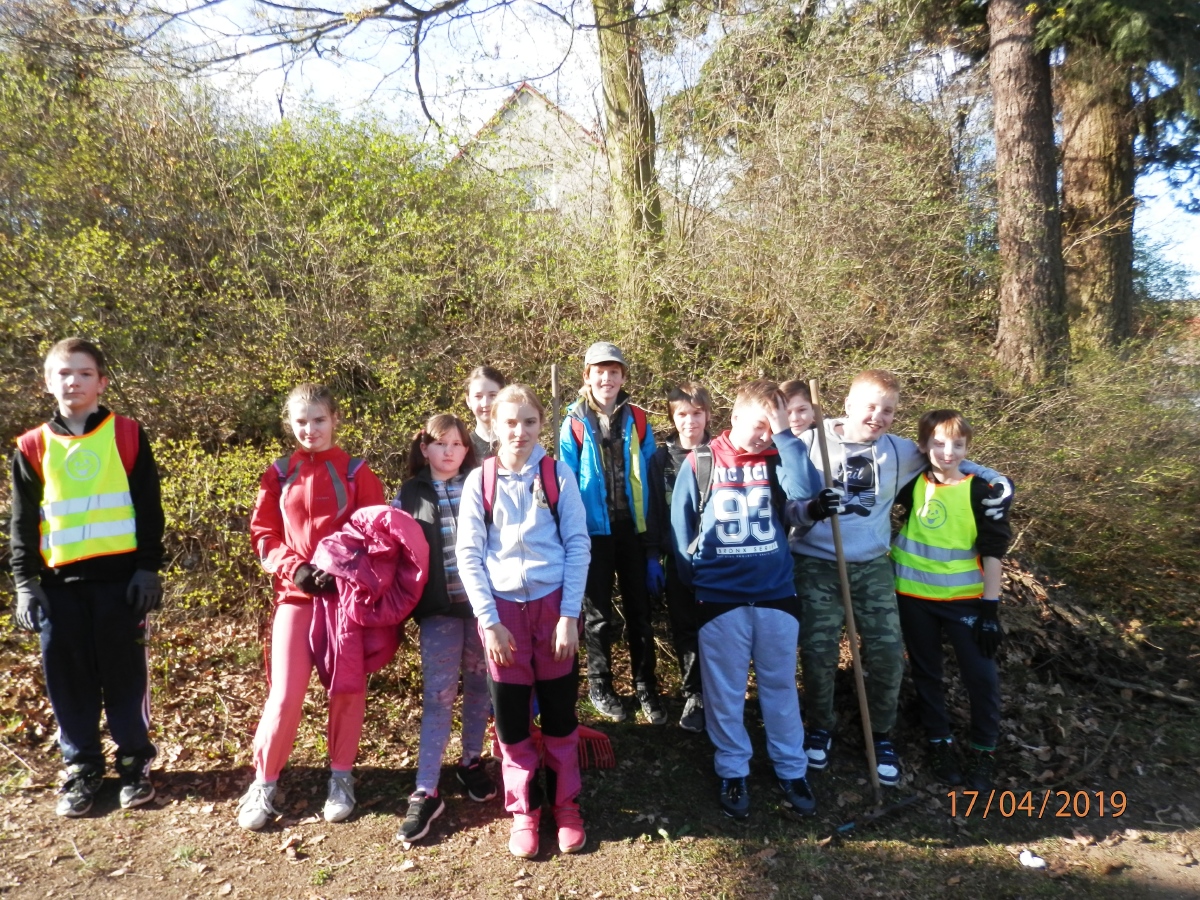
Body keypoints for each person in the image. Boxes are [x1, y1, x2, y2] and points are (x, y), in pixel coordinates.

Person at [791, 370, 1012, 786]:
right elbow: (784, 492)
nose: (878, 416)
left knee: (889, 654)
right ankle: (820, 727)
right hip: (816, 562)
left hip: (872, 563)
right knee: (818, 654)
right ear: (849, 405)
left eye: (888, 410)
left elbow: (946, 456)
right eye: (871, 406)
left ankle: (881, 734)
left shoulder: (899, 450)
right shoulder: (810, 443)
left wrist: (996, 479)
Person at [10, 338, 165, 817]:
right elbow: (22, 522)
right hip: (58, 589)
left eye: (83, 373)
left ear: (102, 382)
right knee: (68, 682)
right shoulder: (32, 446)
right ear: (47, 382)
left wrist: (148, 568)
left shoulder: (127, 434)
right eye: (63, 373)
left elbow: (149, 507)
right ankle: (82, 768)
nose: (73, 382)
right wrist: (25, 583)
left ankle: (135, 764)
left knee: (125, 679)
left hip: (121, 585)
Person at [670, 379, 834, 820]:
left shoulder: (779, 457)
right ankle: (732, 769)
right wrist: (699, 581)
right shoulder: (702, 460)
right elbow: (680, 529)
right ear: (735, 416)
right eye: (759, 424)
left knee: (780, 687)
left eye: (773, 426)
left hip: (775, 593)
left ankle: (791, 768)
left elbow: (804, 493)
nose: (764, 434)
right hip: (720, 598)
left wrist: (784, 435)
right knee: (725, 692)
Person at [237, 384, 387, 830]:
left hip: (344, 600)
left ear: (335, 419)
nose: (311, 429)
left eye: (319, 419)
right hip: (295, 595)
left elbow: (376, 534)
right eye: (301, 421)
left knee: (346, 689)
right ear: (290, 424)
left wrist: (341, 569)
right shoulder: (279, 473)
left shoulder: (358, 472)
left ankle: (341, 777)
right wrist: (297, 568)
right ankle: (264, 783)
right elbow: (263, 534)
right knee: (284, 694)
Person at [457, 385, 591, 858]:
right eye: (510, 423)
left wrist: (569, 615)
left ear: (540, 424)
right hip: (503, 616)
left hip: (553, 610)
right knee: (513, 721)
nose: (520, 431)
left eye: (529, 422)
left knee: (559, 715)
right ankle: (525, 810)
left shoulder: (558, 475)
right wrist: (489, 620)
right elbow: (469, 556)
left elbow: (578, 545)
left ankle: (566, 805)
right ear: (493, 425)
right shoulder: (480, 481)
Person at [893, 410, 1011, 791]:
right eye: (939, 443)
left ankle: (983, 750)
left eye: (957, 445)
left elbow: (993, 550)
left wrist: (990, 609)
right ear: (923, 445)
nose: (948, 452)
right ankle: (939, 743)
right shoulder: (910, 483)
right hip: (913, 597)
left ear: (967, 448)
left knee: (981, 677)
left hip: (967, 603)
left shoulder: (982, 491)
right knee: (927, 673)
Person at [393, 414, 495, 843]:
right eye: (440, 443)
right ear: (424, 448)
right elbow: (394, 548)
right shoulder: (410, 494)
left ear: (467, 449)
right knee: (439, 696)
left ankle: (470, 761)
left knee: (479, 685)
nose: (449, 451)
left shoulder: (481, 483)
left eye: (457, 444)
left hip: (481, 607)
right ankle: (426, 789)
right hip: (437, 609)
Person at [558, 341, 664, 724]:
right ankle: (600, 685)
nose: (607, 379)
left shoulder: (638, 419)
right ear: (587, 376)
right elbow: (565, 483)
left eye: (614, 372)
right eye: (600, 372)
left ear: (622, 377)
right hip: (593, 534)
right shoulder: (572, 423)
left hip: (633, 529)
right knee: (598, 615)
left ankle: (646, 686)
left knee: (640, 613)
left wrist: (652, 541)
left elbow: (651, 474)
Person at [645, 382, 712, 732]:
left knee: (717, 628)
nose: (690, 421)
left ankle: (720, 694)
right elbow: (654, 510)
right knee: (685, 628)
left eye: (697, 413)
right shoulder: (661, 460)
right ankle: (694, 694)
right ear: (672, 417)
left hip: (717, 560)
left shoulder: (721, 453)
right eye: (682, 414)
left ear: (708, 415)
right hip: (677, 559)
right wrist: (652, 555)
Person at [465, 366, 506, 461]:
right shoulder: (463, 447)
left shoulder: (516, 443)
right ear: (468, 401)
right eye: (478, 396)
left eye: (492, 395)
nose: (485, 403)